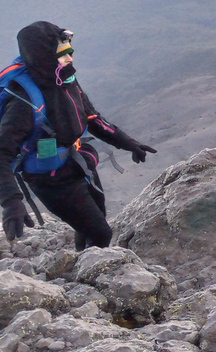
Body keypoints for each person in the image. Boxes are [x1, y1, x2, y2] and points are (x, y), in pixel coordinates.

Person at [0, 21, 156, 250]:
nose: (69, 59)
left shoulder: (64, 78)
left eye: (70, 52)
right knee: (101, 234)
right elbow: (2, 153)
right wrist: (11, 202)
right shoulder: (24, 101)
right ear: (43, 56)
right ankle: (90, 275)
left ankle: (82, 264)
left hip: (78, 163)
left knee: (94, 224)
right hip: (51, 179)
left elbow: (92, 117)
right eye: (62, 54)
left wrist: (128, 143)